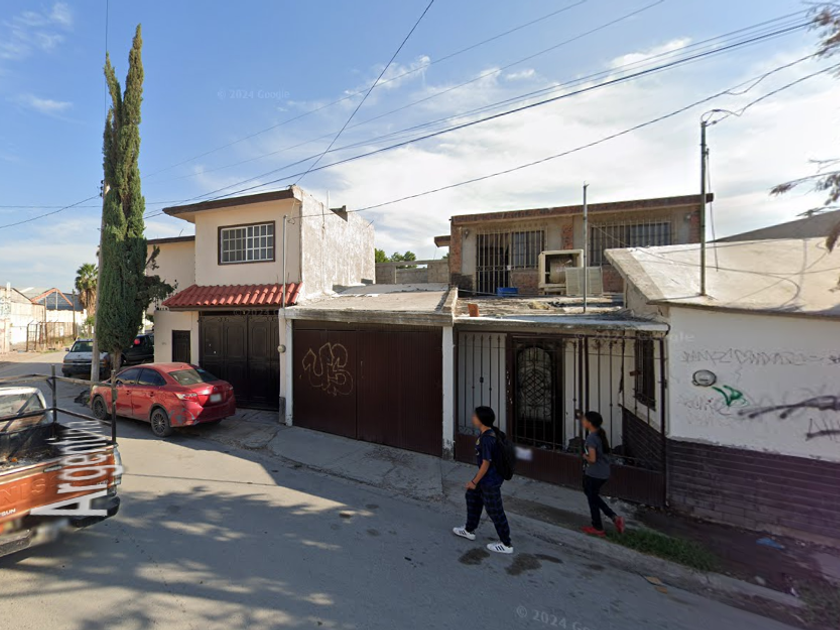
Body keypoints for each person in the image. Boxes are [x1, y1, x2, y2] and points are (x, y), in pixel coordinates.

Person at [452, 406, 513, 554]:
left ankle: (506, 543)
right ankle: (469, 529)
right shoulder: (490, 433)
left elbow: (485, 464)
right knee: (472, 496)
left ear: (481, 419)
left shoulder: (487, 439)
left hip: (490, 480)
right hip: (487, 478)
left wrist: (474, 482)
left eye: (475, 416)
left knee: (495, 510)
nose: (473, 418)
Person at [580, 411, 625, 537]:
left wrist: (584, 456)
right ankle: (613, 518)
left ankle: (598, 527)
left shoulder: (591, 438)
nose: (582, 421)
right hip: (602, 472)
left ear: (589, 423)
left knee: (592, 499)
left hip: (595, 473)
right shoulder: (600, 434)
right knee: (592, 496)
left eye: (584, 420)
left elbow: (592, 459)